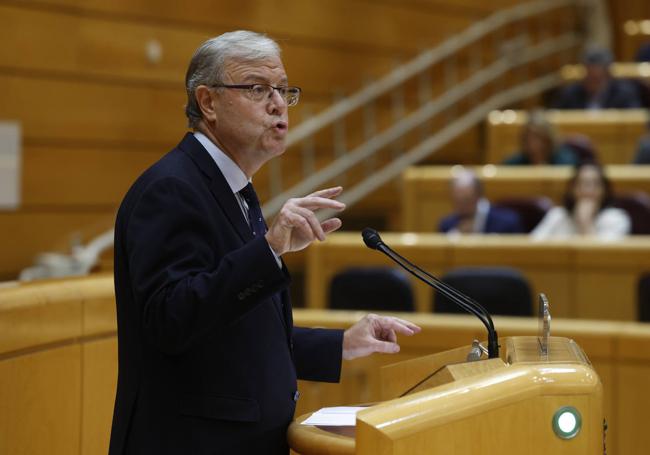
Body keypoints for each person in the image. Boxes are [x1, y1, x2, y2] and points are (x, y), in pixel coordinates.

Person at [109, 31, 420, 455]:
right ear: (208, 102)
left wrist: (341, 344)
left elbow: (236, 332)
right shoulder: (171, 189)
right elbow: (171, 320)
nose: (278, 104)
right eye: (257, 88)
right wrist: (268, 250)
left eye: (283, 90)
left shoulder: (234, 188)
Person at [531, 161, 631, 240]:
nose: (588, 190)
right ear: (571, 189)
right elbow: (532, 247)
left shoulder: (617, 219)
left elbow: (604, 258)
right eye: (581, 183)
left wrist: (585, 222)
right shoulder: (557, 215)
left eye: (595, 184)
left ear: (605, 190)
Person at [552, 47, 641, 110]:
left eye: (597, 79)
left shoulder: (624, 94)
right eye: (589, 78)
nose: (592, 83)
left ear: (608, 75)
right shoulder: (570, 94)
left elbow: (635, 121)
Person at [439, 169, 523, 234]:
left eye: (466, 200)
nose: (462, 206)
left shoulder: (507, 223)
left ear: (479, 196)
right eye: (457, 200)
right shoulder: (447, 226)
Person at [502, 111, 577, 165]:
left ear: (548, 139)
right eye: (529, 138)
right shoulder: (513, 163)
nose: (533, 143)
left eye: (538, 138)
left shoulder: (566, 162)